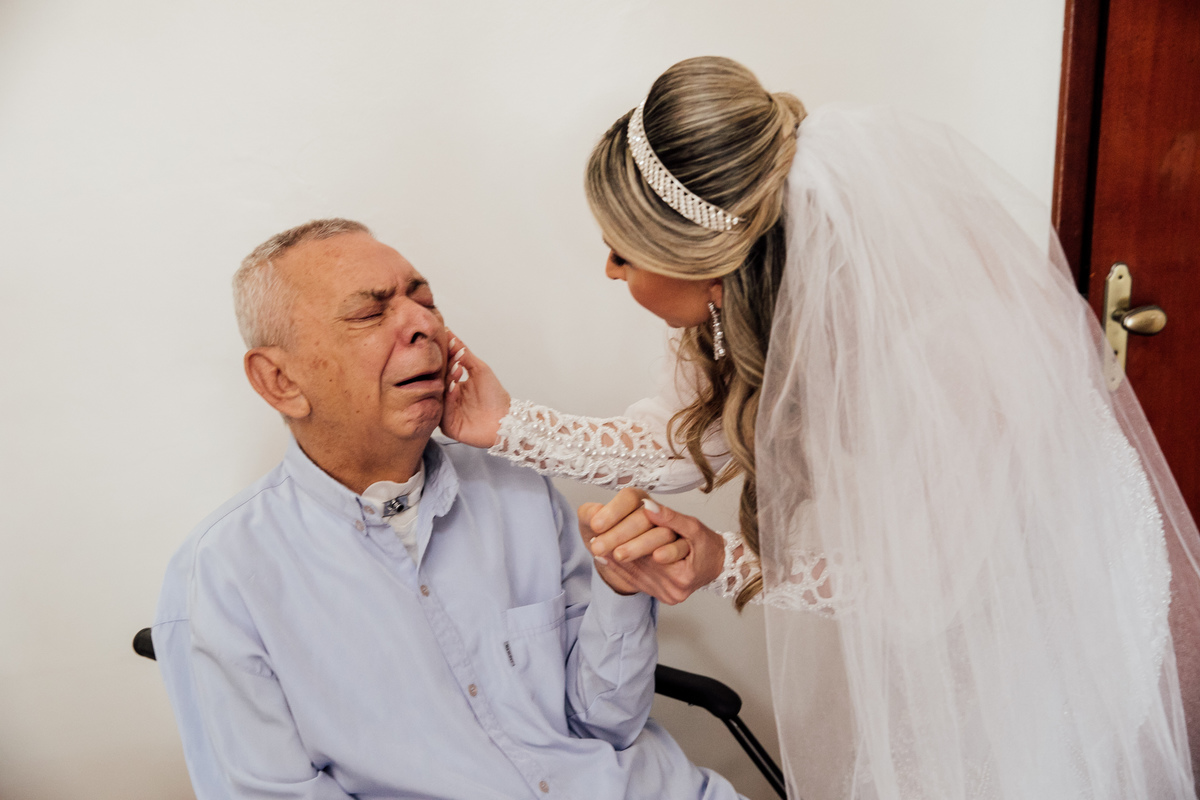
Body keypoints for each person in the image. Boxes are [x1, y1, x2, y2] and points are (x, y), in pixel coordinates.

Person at [439, 57, 1200, 798]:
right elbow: (682, 442)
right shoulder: (759, 299)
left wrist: (721, 564)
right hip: (949, 579)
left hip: (1040, 609)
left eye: (621, 251)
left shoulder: (923, 353)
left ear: (705, 264)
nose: (609, 271)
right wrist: (508, 425)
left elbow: (919, 586)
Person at [151, 218, 746, 800]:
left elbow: (604, 724)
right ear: (279, 380)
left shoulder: (517, 489)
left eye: (426, 301)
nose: (423, 326)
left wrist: (621, 591)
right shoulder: (222, 578)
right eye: (369, 312)